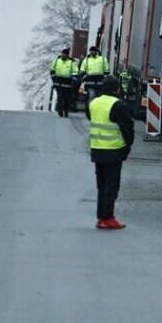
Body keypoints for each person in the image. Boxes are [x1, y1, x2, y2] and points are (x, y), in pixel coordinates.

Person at [87, 75, 134, 229]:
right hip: (113, 150)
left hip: (97, 149)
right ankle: (108, 218)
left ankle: (101, 217)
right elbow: (127, 128)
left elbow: (91, 118)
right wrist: (127, 146)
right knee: (111, 186)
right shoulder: (118, 105)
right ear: (116, 89)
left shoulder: (93, 103)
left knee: (101, 186)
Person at [50, 47, 78, 117]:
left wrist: (73, 81)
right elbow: (52, 70)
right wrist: (54, 79)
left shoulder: (72, 62)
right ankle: (60, 110)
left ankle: (66, 110)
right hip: (58, 82)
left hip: (67, 84)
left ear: (67, 55)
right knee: (60, 97)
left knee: (67, 99)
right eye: (62, 54)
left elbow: (75, 72)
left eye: (64, 54)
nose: (63, 55)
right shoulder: (57, 60)